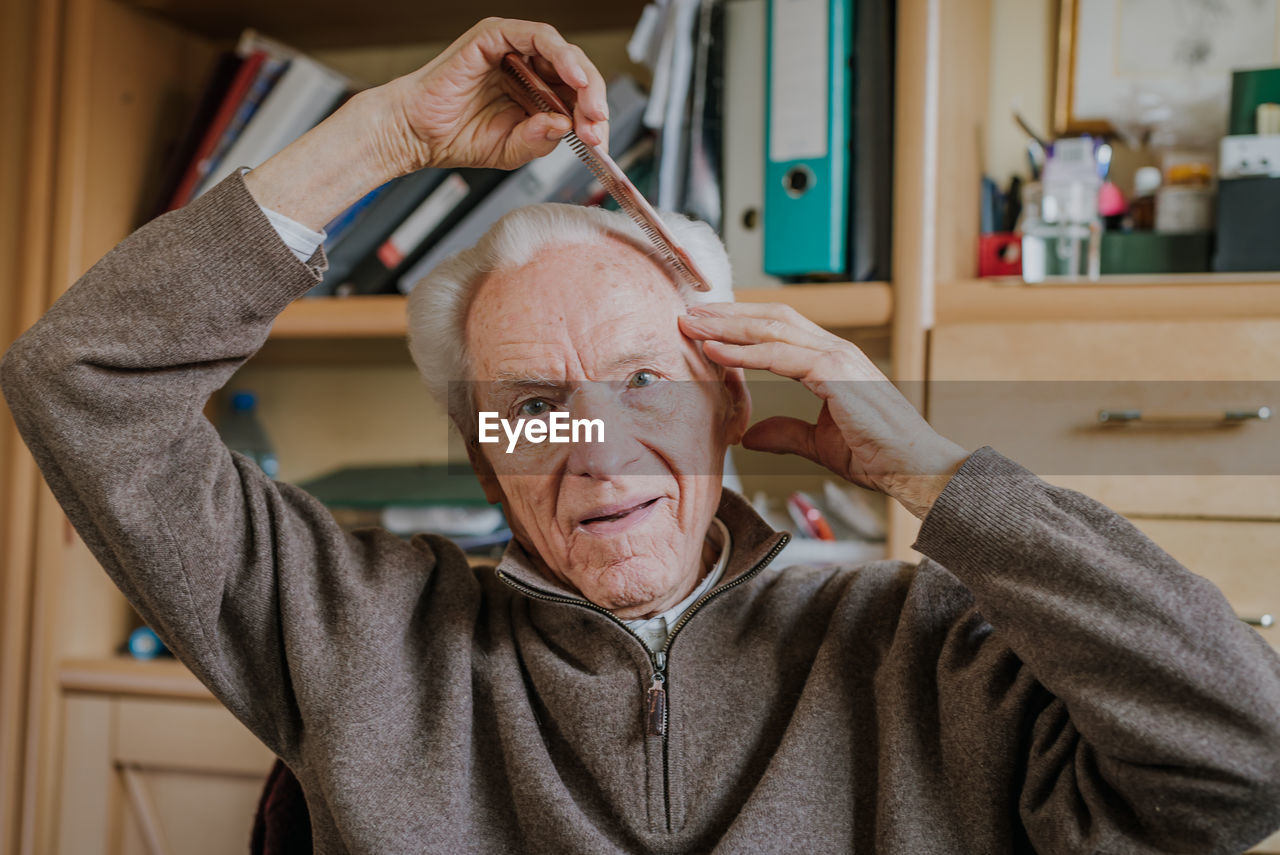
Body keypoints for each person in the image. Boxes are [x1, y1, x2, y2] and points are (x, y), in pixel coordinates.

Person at [3, 16, 1279, 855]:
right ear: (485, 439)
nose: (595, 451)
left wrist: (933, 475)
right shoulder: (356, 632)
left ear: (736, 396)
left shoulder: (928, 655)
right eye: (536, 406)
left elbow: (1239, 755)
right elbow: (80, 382)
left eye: (643, 380)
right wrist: (388, 135)